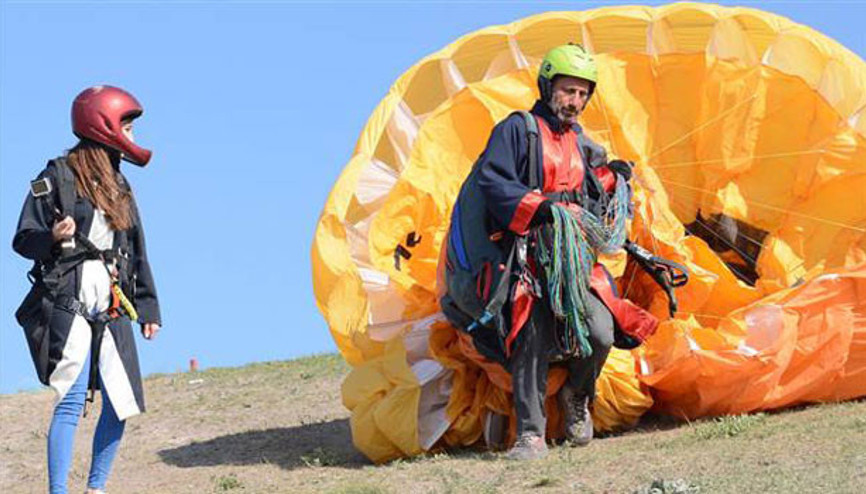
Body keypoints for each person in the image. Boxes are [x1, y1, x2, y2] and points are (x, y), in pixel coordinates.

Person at [444, 44, 636, 460]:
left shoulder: (578, 142)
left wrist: (612, 180)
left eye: (583, 94)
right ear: (548, 86)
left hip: (571, 264)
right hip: (523, 261)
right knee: (531, 332)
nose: (576, 102)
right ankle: (530, 435)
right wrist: (539, 207)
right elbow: (493, 183)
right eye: (569, 91)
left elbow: (586, 197)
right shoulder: (517, 130)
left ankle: (575, 397)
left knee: (601, 329)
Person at [13, 85, 162, 493]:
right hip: (69, 298)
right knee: (72, 398)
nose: (131, 138)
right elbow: (23, 238)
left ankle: (95, 489)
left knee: (121, 401)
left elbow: (136, 247)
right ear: (104, 125)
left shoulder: (120, 185)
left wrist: (148, 307)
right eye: (126, 128)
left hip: (113, 299)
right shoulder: (55, 176)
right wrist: (52, 235)